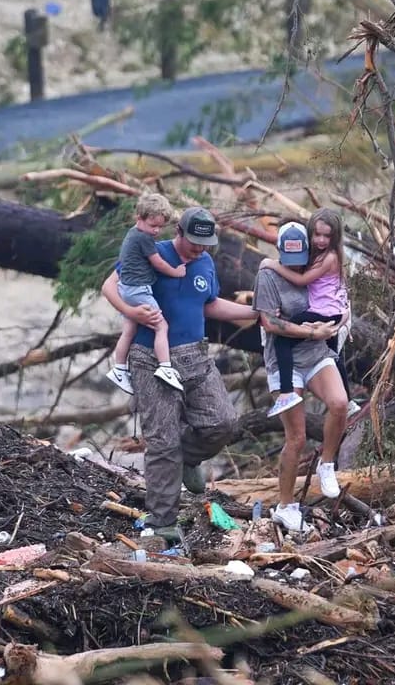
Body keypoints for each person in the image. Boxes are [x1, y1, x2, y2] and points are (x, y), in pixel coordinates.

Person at [101, 206, 259, 541]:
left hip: (196, 356)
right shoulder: (150, 250)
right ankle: (162, 522)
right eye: (194, 241)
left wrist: (253, 311)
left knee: (223, 421)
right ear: (179, 231)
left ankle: (187, 458)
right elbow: (109, 287)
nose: (200, 248)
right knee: (162, 441)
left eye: (206, 243)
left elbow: (209, 304)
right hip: (150, 358)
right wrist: (131, 312)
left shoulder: (205, 262)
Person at [252, 222, 349, 533]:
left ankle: (327, 465)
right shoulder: (267, 275)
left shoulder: (317, 264)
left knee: (340, 403)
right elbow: (269, 322)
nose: (295, 264)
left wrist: (341, 316)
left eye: (300, 257)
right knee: (297, 436)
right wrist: (310, 330)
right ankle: (285, 505)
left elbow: (334, 295)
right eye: (288, 258)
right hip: (285, 362)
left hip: (316, 353)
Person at [259, 208, 359, 419]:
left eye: (327, 236)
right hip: (333, 311)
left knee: (282, 341)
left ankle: (286, 392)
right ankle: (348, 401)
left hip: (325, 313)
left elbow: (301, 280)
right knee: (334, 354)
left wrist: (271, 263)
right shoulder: (320, 255)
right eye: (317, 234)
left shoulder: (329, 257)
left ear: (335, 236)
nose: (321, 240)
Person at [106, 192, 186, 396]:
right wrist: (176, 271)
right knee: (161, 326)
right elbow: (157, 263)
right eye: (153, 226)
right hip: (138, 289)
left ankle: (119, 368)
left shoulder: (134, 233)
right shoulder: (144, 238)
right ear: (138, 218)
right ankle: (165, 366)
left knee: (129, 329)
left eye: (160, 227)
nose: (157, 231)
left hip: (126, 288)